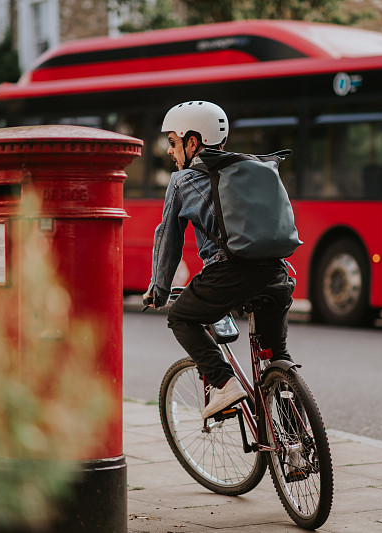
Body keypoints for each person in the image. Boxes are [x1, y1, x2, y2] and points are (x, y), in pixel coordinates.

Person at [143, 101, 296, 419]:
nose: (171, 152)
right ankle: (295, 450)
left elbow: (169, 239)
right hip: (277, 273)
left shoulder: (182, 181)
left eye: (173, 142)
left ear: (192, 142)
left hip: (228, 274)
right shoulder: (254, 167)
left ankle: (224, 383)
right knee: (276, 357)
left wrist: (159, 290)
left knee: (181, 318)